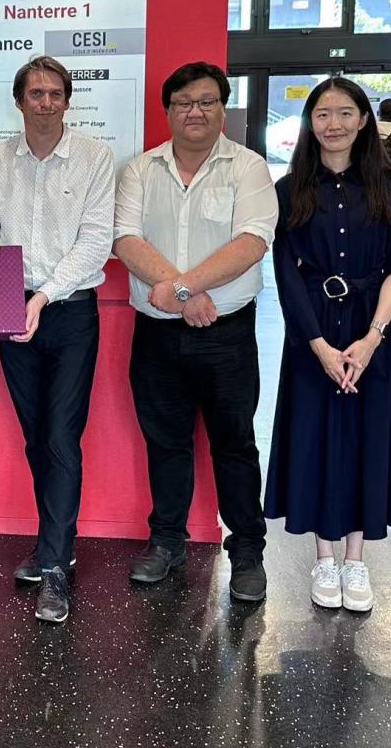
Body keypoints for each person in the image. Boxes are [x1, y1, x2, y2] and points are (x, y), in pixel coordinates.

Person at [113, 61, 277, 603]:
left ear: (222, 108)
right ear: (168, 111)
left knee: (235, 444)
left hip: (227, 335)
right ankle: (167, 541)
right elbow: (126, 239)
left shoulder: (248, 168)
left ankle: (247, 551)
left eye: (207, 101)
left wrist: (182, 288)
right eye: (184, 103)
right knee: (165, 442)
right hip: (157, 335)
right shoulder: (141, 170)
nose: (195, 112)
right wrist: (185, 296)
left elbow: (251, 242)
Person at [0, 55, 114, 624]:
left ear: (68, 100)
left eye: (56, 93)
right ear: (20, 100)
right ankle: (57, 542)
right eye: (36, 93)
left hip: (70, 312)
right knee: (36, 436)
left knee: (60, 436)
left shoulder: (95, 157)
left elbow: (96, 241)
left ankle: (54, 565)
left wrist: (42, 297)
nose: (46, 102)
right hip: (12, 311)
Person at [265, 76, 391, 613]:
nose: (334, 124)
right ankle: (324, 557)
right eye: (323, 114)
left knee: (366, 435)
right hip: (313, 327)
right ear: (310, 123)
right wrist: (319, 346)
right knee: (314, 435)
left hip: (372, 327)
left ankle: (356, 559)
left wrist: (373, 338)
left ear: (363, 120)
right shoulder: (289, 190)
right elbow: (286, 273)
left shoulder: (387, 184)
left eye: (345, 112)